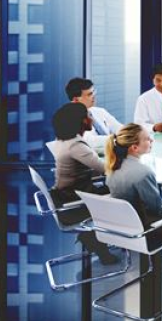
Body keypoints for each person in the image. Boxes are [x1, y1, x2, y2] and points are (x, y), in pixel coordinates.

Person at [50, 102, 119, 265]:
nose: (92, 119)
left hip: (65, 196)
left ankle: (92, 238)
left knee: (112, 186)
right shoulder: (76, 146)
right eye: (89, 116)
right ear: (82, 121)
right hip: (76, 204)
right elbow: (107, 169)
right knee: (127, 190)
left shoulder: (64, 140)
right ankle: (102, 240)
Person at [105, 123, 162, 251]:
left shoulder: (112, 169)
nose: (152, 140)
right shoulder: (143, 172)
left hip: (123, 229)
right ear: (135, 147)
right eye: (147, 139)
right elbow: (156, 209)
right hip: (146, 232)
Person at [65, 77, 123, 150]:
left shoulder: (99, 111)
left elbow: (120, 129)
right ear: (76, 100)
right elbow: (90, 141)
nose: (94, 96)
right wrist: (116, 139)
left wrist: (128, 135)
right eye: (90, 94)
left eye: (93, 92)